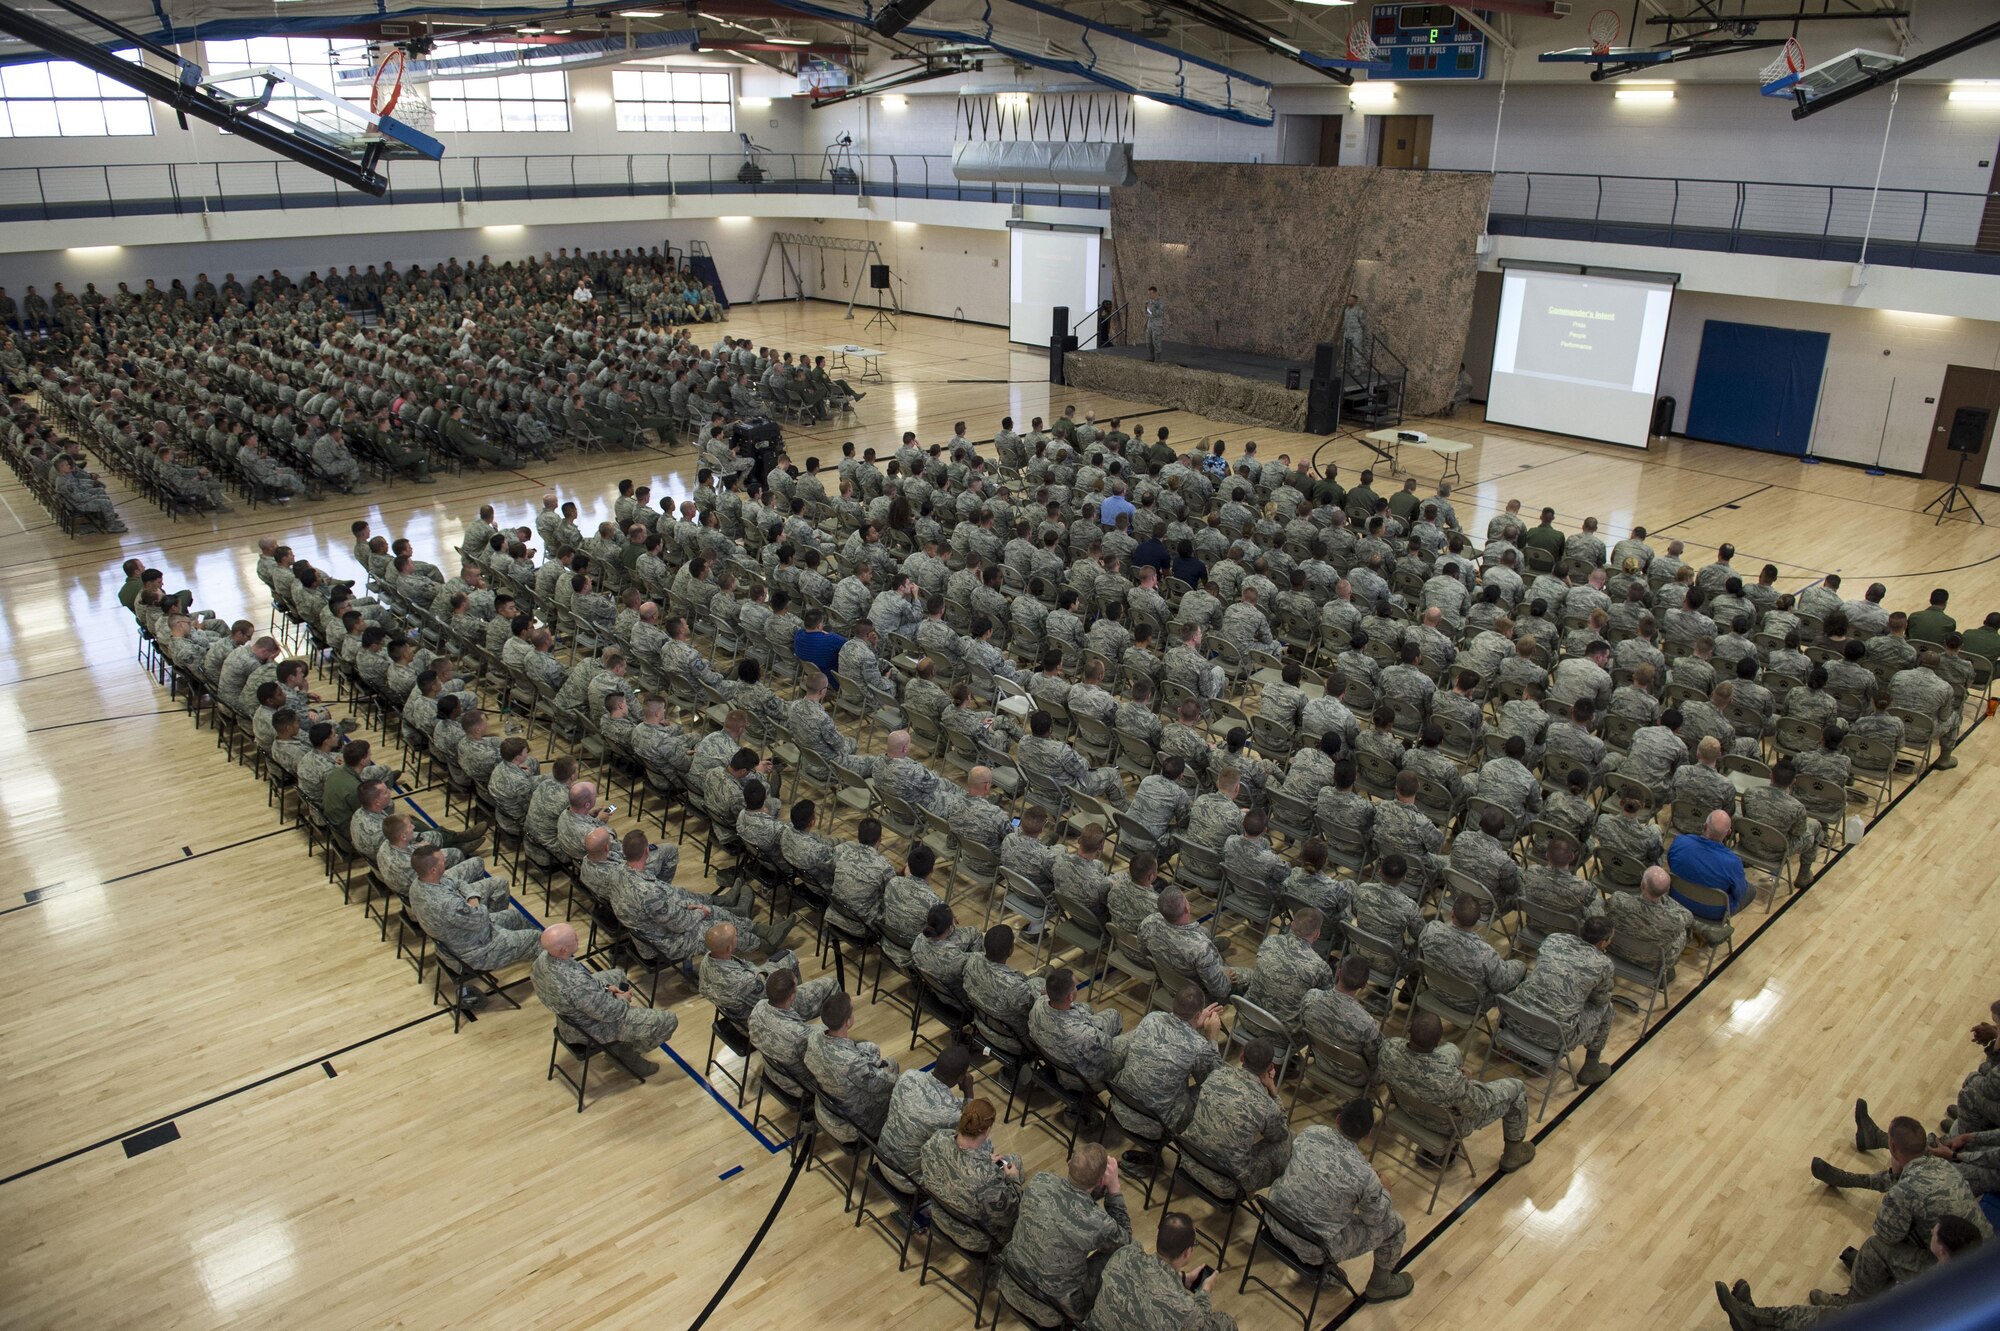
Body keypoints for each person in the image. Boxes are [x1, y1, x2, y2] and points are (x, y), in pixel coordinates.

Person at [1716, 1214, 1984, 1329]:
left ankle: (1752, 1318)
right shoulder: (1966, 1280)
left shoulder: (1936, 1293)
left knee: (1817, 1318)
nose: (1930, 1234)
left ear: (1943, 1251)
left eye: (1934, 1234)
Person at [1265, 1098, 1413, 1301]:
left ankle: (1325, 1275)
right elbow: (1374, 1219)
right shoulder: (1365, 1176)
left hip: (1274, 1222)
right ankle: (1380, 1286)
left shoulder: (1311, 1133)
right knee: (1395, 1225)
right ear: (1368, 1134)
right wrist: (1384, 1190)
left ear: (1338, 1119)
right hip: (1313, 1248)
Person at [1380, 1010, 1536, 1171]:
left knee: (1452, 1050)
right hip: (1445, 1124)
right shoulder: (1451, 1081)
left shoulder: (1388, 1049)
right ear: (1436, 1042)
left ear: (1409, 1030)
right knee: (1517, 1089)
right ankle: (1513, 1155)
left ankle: (1439, 1152)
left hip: (1406, 1108)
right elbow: (1475, 1109)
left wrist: (1456, 1077)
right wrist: (1466, 1083)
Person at [997, 1143, 1133, 1324]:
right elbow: (1125, 1241)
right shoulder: (1098, 1223)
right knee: (1120, 1255)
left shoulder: (1040, 1181)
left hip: (1010, 1283)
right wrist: (1114, 1187)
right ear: (1101, 1181)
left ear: (1069, 1162)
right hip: (1053, 1311)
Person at [530, 923, 679, 1078]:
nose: (577, 938)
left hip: (570, 1014)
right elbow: (609, 1013)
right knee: (667, 1021)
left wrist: (607, 988)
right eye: (573, 939)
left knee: (617, 975)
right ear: (563, 950)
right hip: (590, 1028)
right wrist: (623, 999)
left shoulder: (543, 959)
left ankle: (623, 1042)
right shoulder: (577, 985)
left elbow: (585, 983)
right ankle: (625, 1055)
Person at [1107, 985, 1225, 1166]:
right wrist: (1212, 1038)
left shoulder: (1152, 1019)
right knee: (1212, 1094)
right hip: (1153, 1126)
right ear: (1198, 1014)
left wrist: (1193, 1025)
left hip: (1120, 1104)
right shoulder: (1199, 1047)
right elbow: (1214, 1080)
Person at [1507, 915, 1617, 1086]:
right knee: (1607, 1009)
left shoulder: (1554, 939)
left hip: (1516, 1019)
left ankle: (1533, 1060)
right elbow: (1600, 1000)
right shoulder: (1603, 964)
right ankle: (1591, 1067)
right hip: (1554, 1037)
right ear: (1603, 943)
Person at [1084, 1211, 1236, 1331]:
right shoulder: (1184, 1310)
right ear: (1187, 1253)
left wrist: (1183, 1279)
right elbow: (1202, 1323)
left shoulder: (1125, 1254)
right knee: (1225, 1322)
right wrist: (1205, 1292)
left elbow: (1148, 1282)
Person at [1179, 1037, 1293, 1195]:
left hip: (1189, 1159)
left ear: (1242, 1058)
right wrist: (1273, 1091)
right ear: (1270, 1067)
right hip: (1227, 1184)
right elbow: (1280, 1134)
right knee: (1289, 1139)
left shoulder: (1216, 1075)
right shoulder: (1266, 1106)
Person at [921, 1098, 1025, 1249]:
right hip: (975, 1239)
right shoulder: (986, 1180)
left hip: (940, 1216)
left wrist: (983, 1159)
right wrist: (1013, 1178)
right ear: (985, 1130)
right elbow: (1009, 1217)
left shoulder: (937, 1139)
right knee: (1015, 1161)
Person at [803, 989, 900, 1140]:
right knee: (893, 1067)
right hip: (854, 1124)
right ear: (847, 1022)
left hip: (826, 1108)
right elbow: (886, 1084)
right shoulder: (853, 1064)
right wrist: (886, 1068)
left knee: (870, 1048)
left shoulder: (815, 1037)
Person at [877, 1043, 973, 1185]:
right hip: (907, 1180)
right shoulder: (949, 1113)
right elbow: (971, 1129)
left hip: (881, 1157)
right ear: (960, 1078)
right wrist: (968, 1092)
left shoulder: (908, 1076)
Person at [1667, 808, 1755, 921]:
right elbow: (1739, 894)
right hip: (1713, 912)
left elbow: (1671, 865)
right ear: (1728, 833)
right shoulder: (1733, 863)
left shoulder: (1680, 842)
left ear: (1704, 826)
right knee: (1751, 890)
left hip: (1677, 898)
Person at [1143, 286, 1165, 362]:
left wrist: (1151, 309)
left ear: (1155, 293)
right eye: (1148, 294)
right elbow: (1147, 313)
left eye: (1151, 294)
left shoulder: (1160, 303)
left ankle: (1158, 358)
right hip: (1150, 324)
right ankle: (1151, 356)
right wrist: (1146, 308)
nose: (1149, 296)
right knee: (1148, 341)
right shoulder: (1149, 302)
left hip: (1157, 324)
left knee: (1156, 341)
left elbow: (1159, 313)